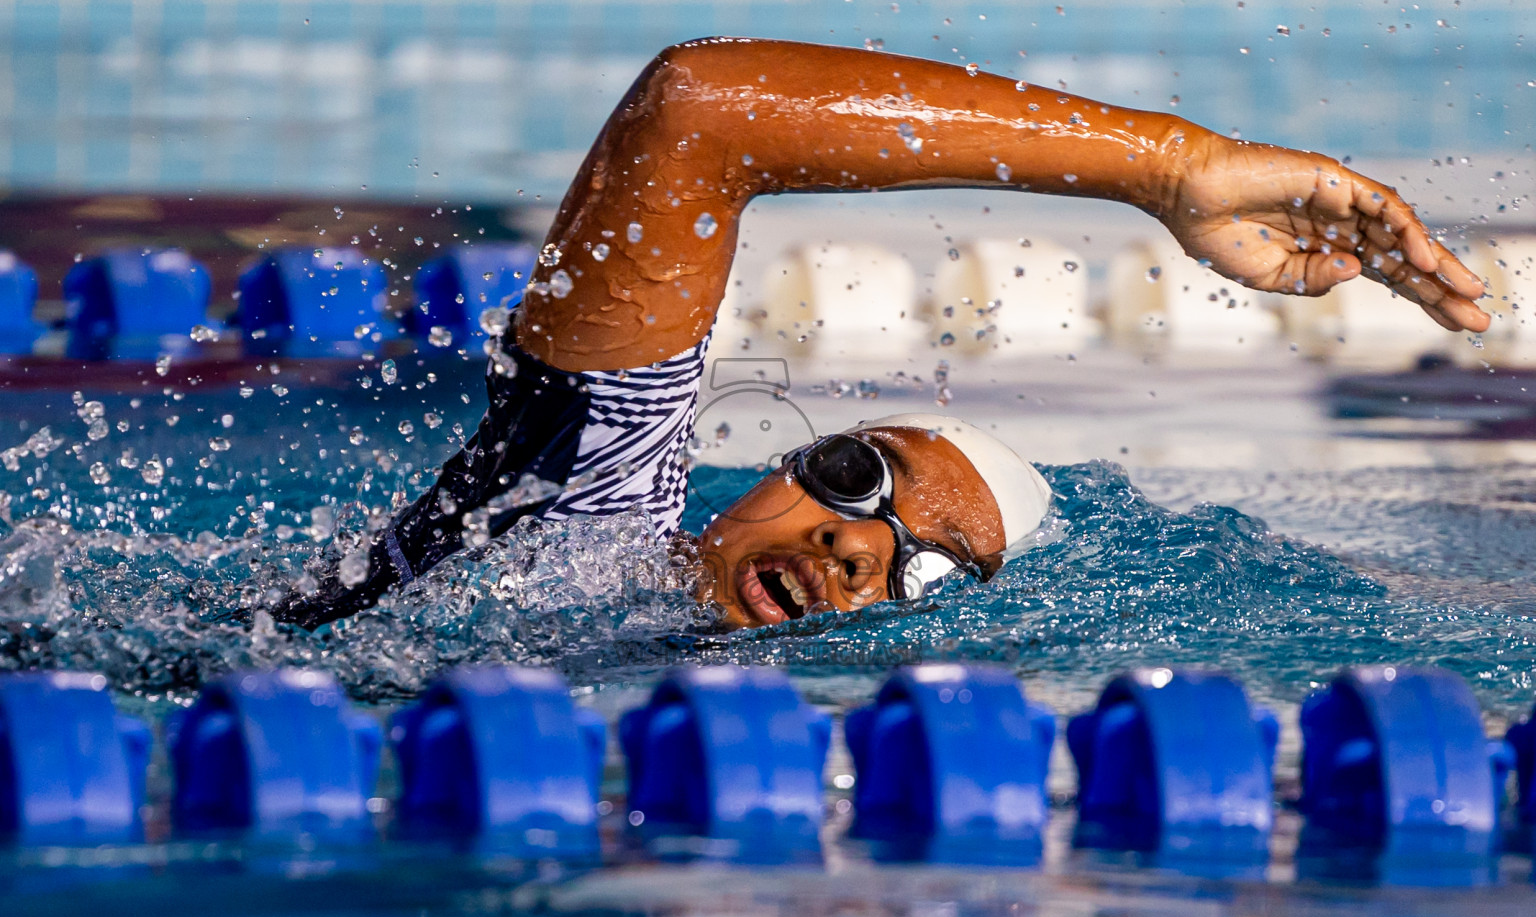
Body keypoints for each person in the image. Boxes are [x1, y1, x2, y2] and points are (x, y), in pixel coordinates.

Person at [272, 36, 1490, 632]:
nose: (857, 548)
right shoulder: (582, 521)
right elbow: (698, 117)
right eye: (859, 480)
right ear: (777, 470)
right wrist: (1173, 169)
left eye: (927, 570)